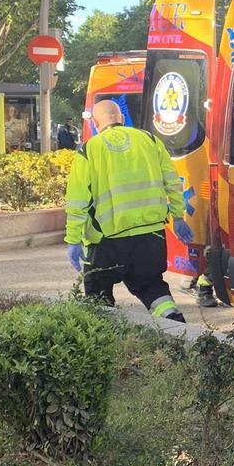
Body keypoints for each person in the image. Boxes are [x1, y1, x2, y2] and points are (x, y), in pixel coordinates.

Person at [64, 99, 193, 322]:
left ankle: (107, 345)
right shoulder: (149, 140)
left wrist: (73, 239)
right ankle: (176, 326)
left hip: (107, 240)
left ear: (95, 123)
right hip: (150, 236)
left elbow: (78, 201)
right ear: (121, 118)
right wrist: (178, 216)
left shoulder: (89, 149)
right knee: (152, 287)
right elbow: (172, 181)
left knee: (98, 297)